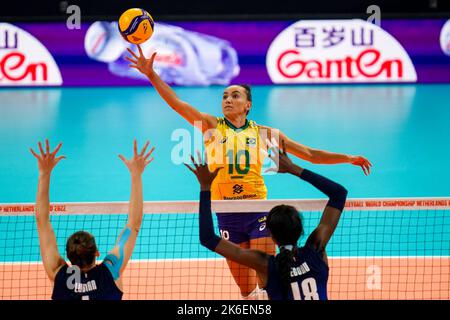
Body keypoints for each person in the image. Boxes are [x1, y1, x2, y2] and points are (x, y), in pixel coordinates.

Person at [126, 46, 370, 298]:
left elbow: (308, 153)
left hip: (258, 211)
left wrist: (348, 158)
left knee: (267, 279)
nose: (228, 100)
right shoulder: (210, 126)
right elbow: (177, 105)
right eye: (224, 96)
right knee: (246, 290)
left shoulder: (264, 134)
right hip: (227, 214)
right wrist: (151, 75)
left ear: (248, 105)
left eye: (235, 96)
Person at [184, 140, 347, 300]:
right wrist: (293, 168)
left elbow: (207, 238)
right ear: (300, 230)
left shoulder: (267, 265)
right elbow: (339, 193)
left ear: (271, 235)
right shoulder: (316, 249)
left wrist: (205, 187)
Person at [30, 139, 154, 300]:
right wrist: (136, 175)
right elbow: (134, 224)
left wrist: (44, 173)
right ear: (97, 252)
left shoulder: (58, 274)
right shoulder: (110, 271)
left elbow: (42, 223)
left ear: (68, 257)